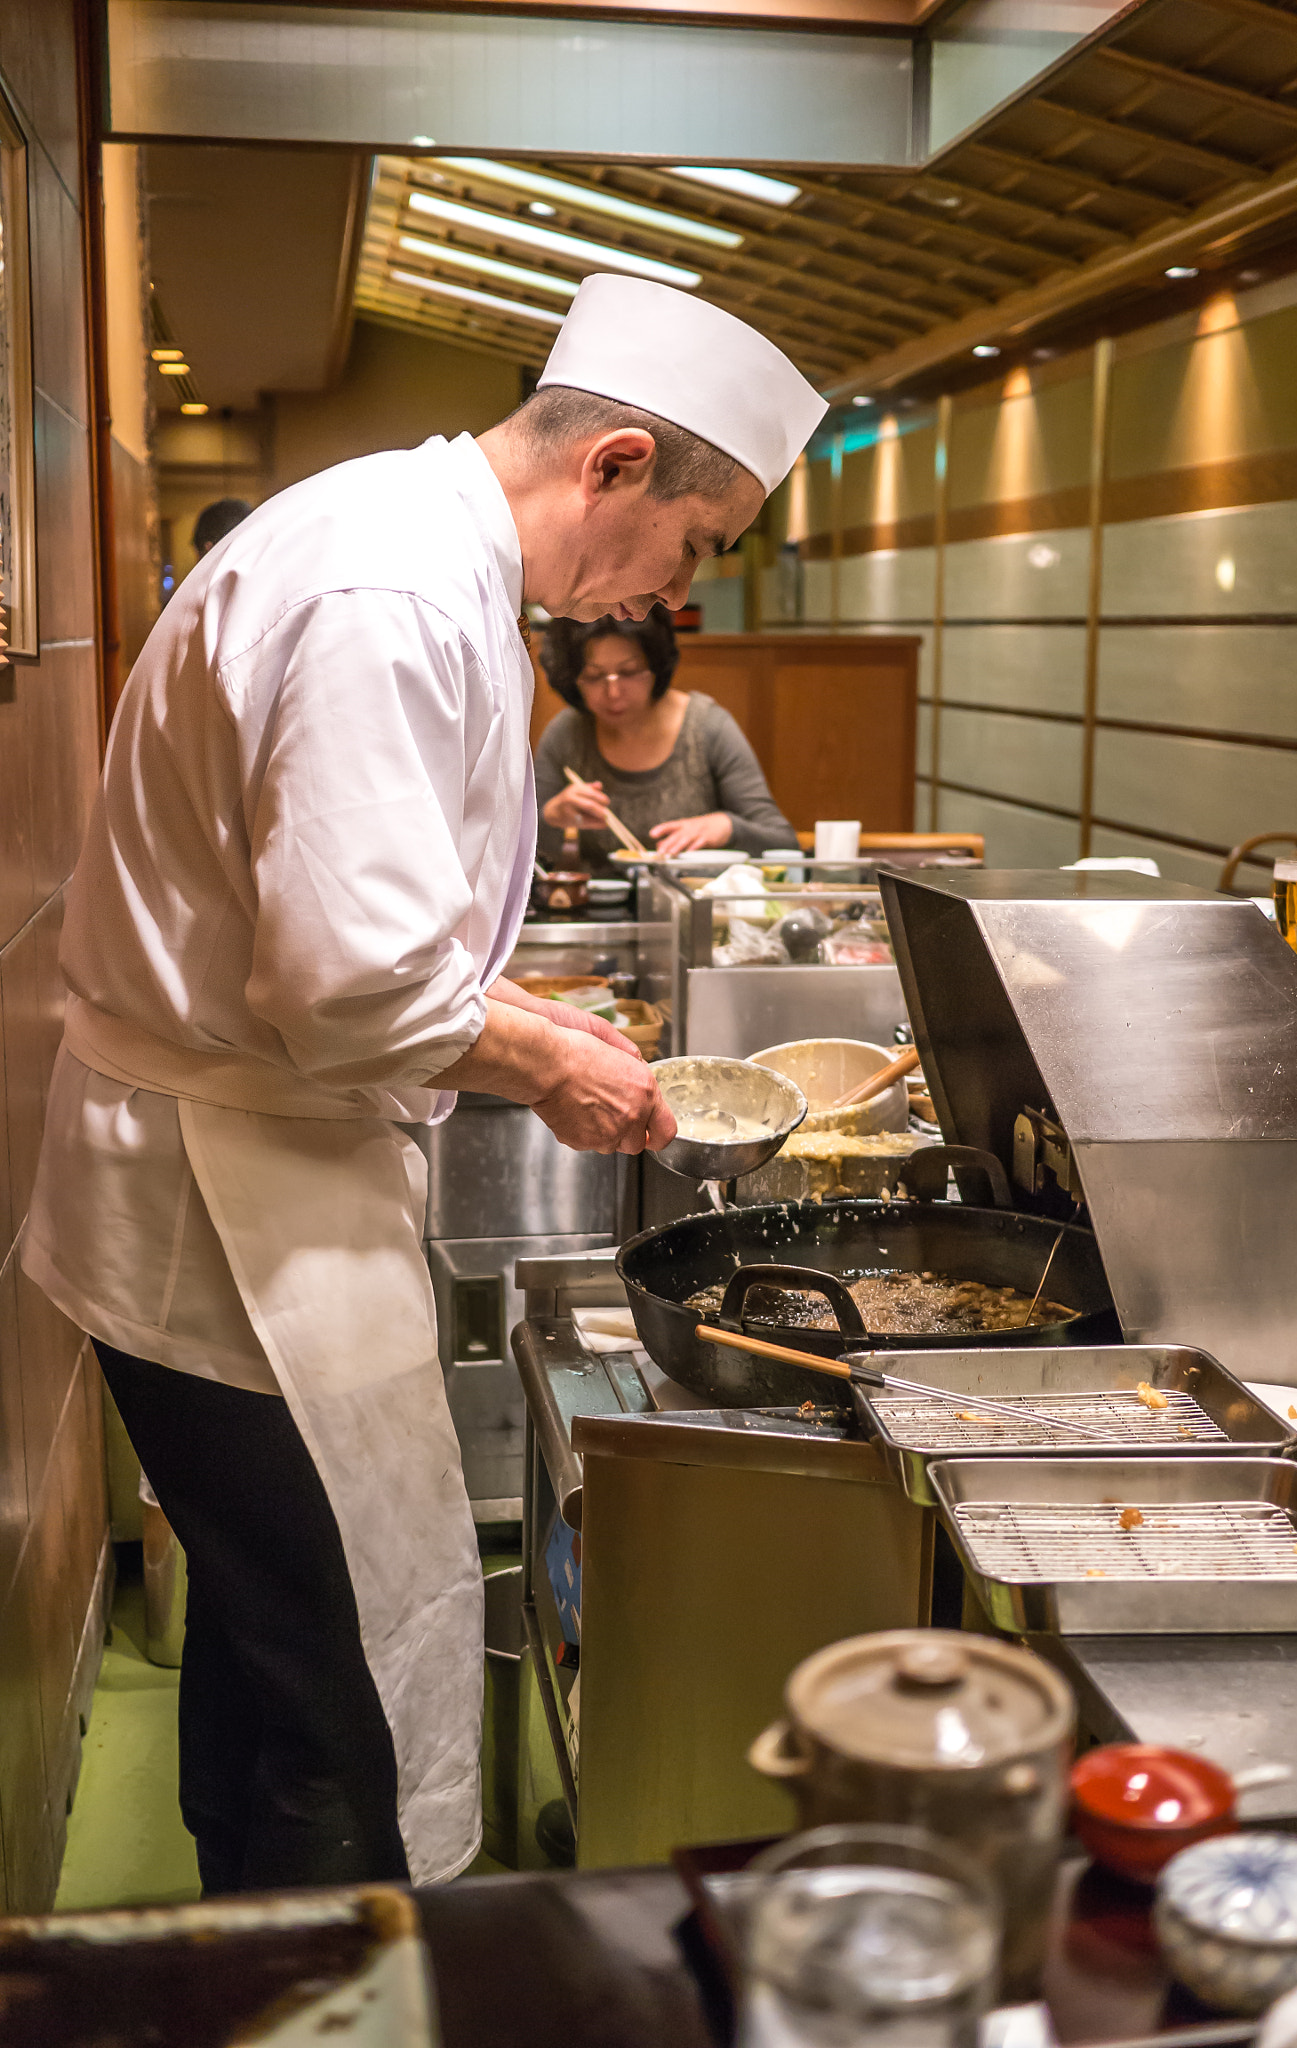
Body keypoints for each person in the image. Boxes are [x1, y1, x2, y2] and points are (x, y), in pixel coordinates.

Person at [20, 271, 826, 1894]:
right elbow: (348, 979)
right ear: (612, 467)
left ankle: (251, 1942)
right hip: (223, 1206)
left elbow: (359, 922)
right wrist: (550, 1063)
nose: (684, 583)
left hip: (259, 1166)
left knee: (273, 1654)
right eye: (698, 539)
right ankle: (319, 1972)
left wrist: (520, 1016)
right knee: (334, 1687)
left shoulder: (413, 547)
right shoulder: (387, 590)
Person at [535, 605, 797, 864]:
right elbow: (521, 856)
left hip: (695, 901)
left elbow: (783, 842)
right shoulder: (567, 733)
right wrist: (550, 817)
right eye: (593, 676)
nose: (613, 693)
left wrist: (727, 827)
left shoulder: (707, 728)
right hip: (600, 904)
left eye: (630, 672)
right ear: (571, 678)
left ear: (657, 666)